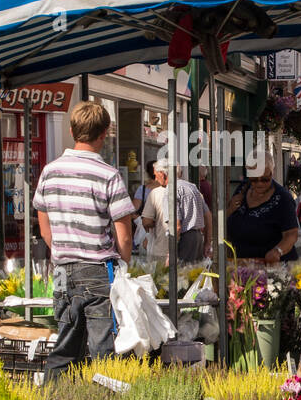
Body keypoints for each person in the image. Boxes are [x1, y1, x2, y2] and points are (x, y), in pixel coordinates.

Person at [34, 101, 135, 377]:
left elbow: (44, 227)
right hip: (98, 270)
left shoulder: (50, 171)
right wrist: (124, 265)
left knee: (65, 347)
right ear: (104, 133)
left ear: (71, 130)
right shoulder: (108, 175)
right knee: (104, 352)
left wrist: (62, 250)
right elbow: (124, 235)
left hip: (63, 271)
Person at [226, 159, 300, 263]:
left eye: (265, 179)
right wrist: (230, 209)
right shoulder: (243, 188)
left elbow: (291, 234)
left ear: (271, 173)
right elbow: (227, 219)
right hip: (242, 265)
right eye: (254, 179)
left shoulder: (283, 198)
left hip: (274, 268)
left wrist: (277, 251)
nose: (259, 183)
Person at [143, 159, 209, 262]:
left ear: (163, 174)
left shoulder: (171, 190)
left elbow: (176, 225)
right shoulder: (192, 187)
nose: (155, 179)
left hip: (184, 240)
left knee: (180, 275)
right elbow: (208, 216)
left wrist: (171, 253)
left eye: (156, 175)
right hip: (197, 239)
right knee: (193, 275)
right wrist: (207, 243)